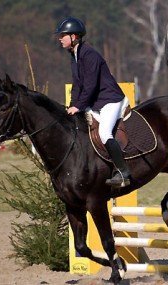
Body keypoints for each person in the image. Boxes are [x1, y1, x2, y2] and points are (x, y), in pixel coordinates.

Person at [55, 16, 130, 188]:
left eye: (63, 35)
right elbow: (77, 86)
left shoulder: (89, 55)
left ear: (74, 37)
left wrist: (79, 106)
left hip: (110, 100)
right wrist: (72, 105)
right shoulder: (74, 56)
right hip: (95, 102)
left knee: (104, 133)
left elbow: (90, 85)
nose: (60, 38)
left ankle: (123, 172)